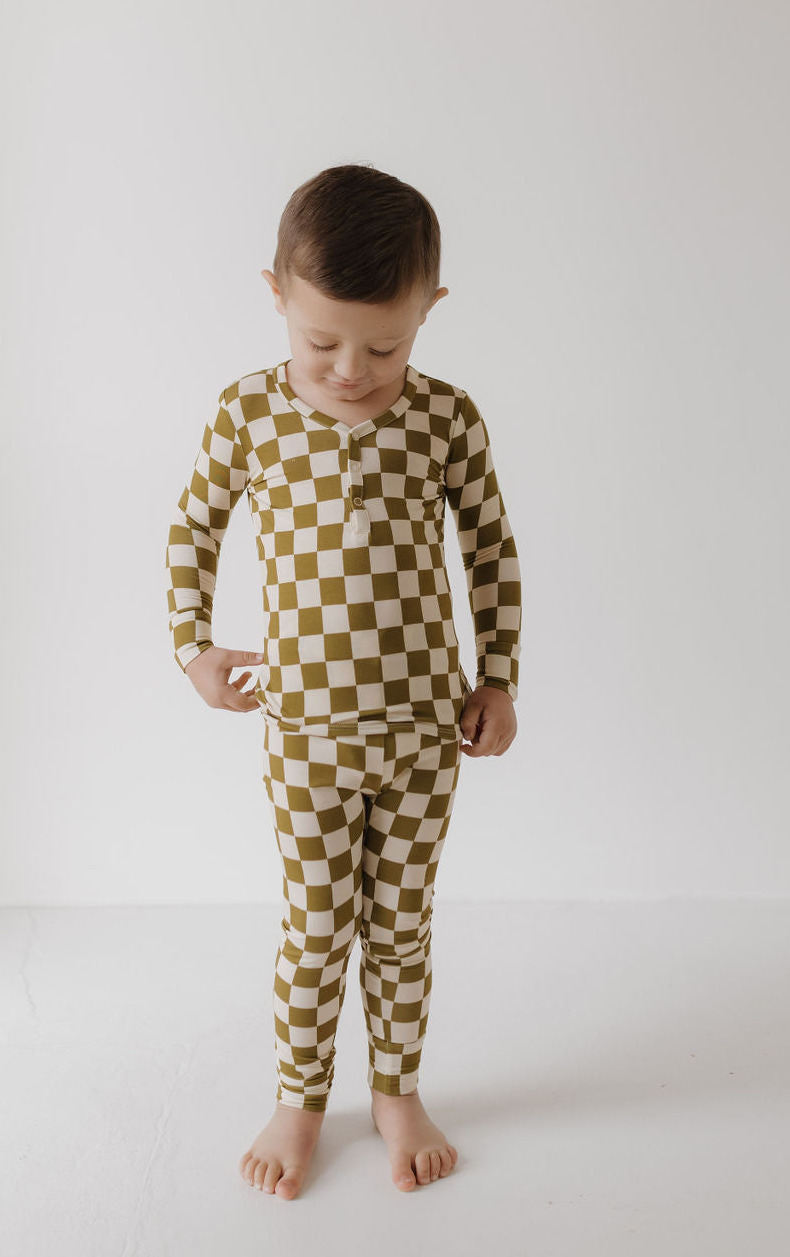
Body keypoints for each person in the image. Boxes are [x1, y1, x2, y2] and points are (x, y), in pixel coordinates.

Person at [165, 163, 522, 1199]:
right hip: (306, 737)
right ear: (275, 293)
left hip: (422, 734)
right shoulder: (249, 415)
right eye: (321, 342)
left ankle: (398, 1091)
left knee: (402, 923)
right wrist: (192, 646)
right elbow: (194, 526)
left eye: (386, 344)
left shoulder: (446, 420)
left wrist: (497, 676)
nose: (353, 370)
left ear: (429, 312)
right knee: (318, 923)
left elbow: (489, 548)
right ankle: (300, 1099)